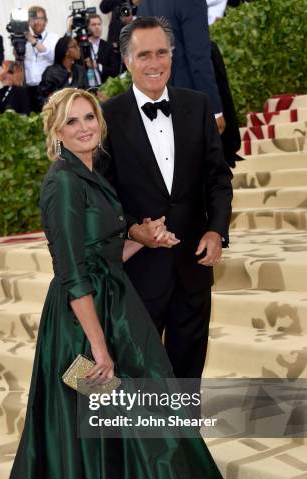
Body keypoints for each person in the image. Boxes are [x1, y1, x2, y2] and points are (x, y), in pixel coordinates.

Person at [0, 86, 249, 479]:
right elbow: (72, 274)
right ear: (55, 131)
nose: (85, 126)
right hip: (82, 327)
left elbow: (102, 246)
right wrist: (99, 349)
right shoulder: (61, 183)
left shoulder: (89, 173)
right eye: (72, 121)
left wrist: (143, 239)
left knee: (133, 431)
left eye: (89, 117)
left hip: (113, 312)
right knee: (96, 436)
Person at [100, 17, 232, 379]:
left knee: (188, 375)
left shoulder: (198, 105)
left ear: (172, 56)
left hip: (193, 267)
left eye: (162, 52)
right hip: (138, 274)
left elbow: (218, 179)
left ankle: (184, 438)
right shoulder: (106, 117)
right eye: (144, 55)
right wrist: (131, 230)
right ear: (127, 60)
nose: (155, 63)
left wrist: (215, 231)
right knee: (135, 374)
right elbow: (101, 195)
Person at [138, 0, 226, 134]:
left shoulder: (144, 5)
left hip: (158, 102)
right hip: (189, 100)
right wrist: (214, 111)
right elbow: (199, 58)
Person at [24, 5, 59, 112]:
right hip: (29, 89)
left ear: (46, 21)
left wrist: (33, 41)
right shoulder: (23, 39)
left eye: (40, 18)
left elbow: (54, 57)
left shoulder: (54, 38)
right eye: (33, 19)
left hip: (48, 89)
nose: (37, 22)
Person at [38, 37, 87, 109]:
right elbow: (41, 99)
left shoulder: (80, 70)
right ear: (66, 51)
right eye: (75, 46)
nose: (79, 48)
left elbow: (86, 91)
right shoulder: (51, 72)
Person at [84, 14, 120, 85]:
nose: (97, 27)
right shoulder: (82, 46)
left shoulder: (108, 46)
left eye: (99, 24)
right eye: (93, 25)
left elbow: (114, 71)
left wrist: (97, 66)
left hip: (103, 87)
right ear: (87, 27)